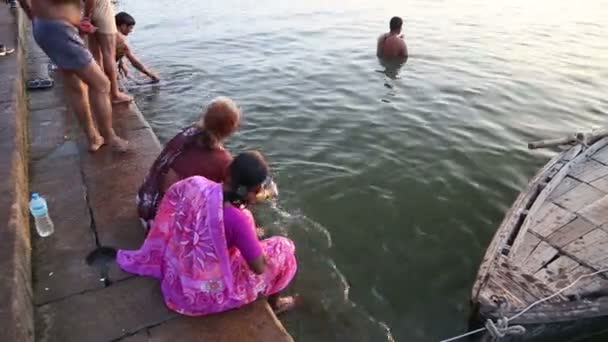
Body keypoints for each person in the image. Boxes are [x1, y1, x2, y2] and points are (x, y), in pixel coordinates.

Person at [118, 152, 298, 315]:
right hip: (202, 295)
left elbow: (178, 205)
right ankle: (275, 304)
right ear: (257, 191)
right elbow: (258, 268)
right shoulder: (239, 219)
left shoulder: (195, 184)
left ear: (227, 171)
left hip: (176, 277)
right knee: (284, 247)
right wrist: (247, 228)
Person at [17, 0, 129, 152]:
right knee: (101, 84)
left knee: (74, 85)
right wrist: (86, 19)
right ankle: (110, 137)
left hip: (43, 25)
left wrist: (32, 15)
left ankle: (93, 138)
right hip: (61, 30)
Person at [137, 97, 240, 230]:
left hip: (144, 202)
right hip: (158, 225)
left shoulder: (188, 133)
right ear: (232, 128)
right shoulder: (223, 161)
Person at [83, 0, 132, 103]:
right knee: (109, 54)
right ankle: (114, 94)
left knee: (96, 54)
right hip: (101, 8)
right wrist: (87, 18)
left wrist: (86, 16)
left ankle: (102, 88)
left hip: (85, 9)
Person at [114, 12, 159, 82]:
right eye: (130, 28)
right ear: (123, 26)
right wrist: (150, 74)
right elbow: (133, 60)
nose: (131, 31)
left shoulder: (108, 33)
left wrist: (121, 63)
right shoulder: (120, 39)